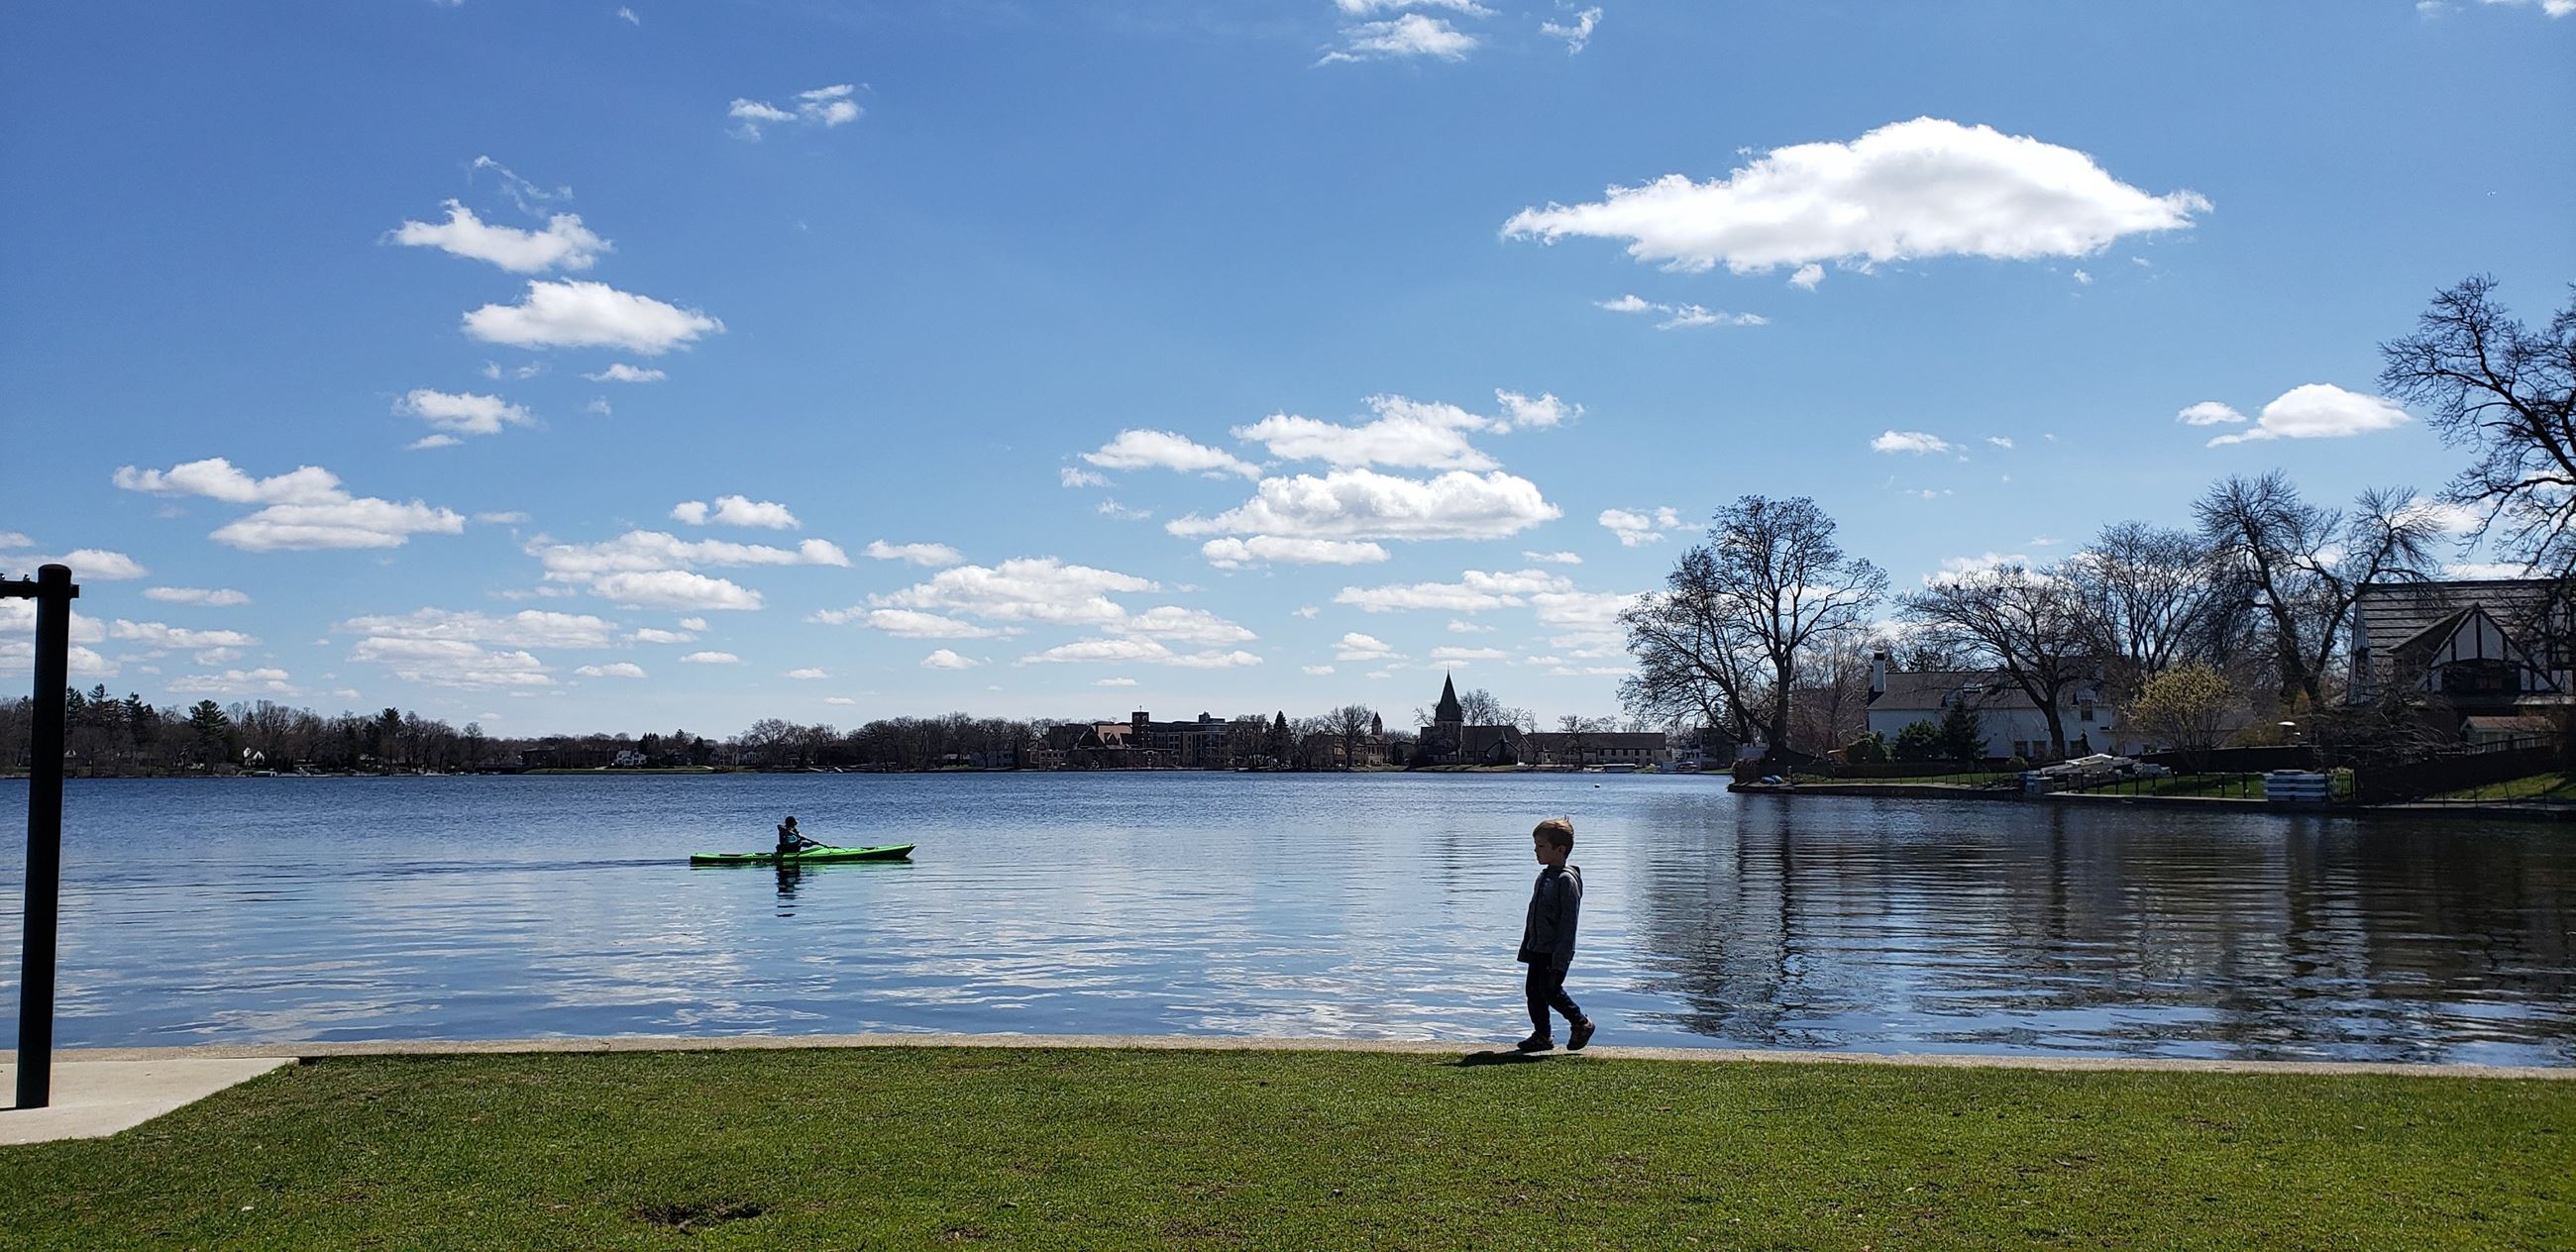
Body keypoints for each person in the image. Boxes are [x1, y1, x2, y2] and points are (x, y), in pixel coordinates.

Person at [1515, 816, 1595, 1052]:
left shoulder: (1566, 881)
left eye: (1541, 846)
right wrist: (1527, 945)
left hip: (1555, 952)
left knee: (1551, 990)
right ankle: (1542, 1035)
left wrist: (1560, 958)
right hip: (1537, 947)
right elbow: (1534, 916)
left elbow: (1568, 924)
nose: (1535, 851)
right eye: (1535, 845)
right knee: (1533, 991)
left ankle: (1581, 1022)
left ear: (1560, 850)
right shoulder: (1544, 875)